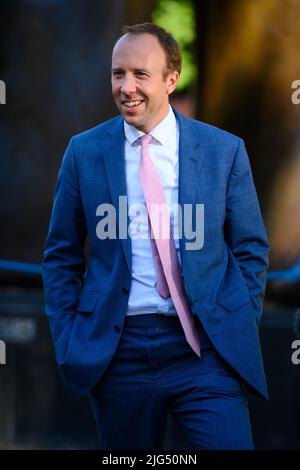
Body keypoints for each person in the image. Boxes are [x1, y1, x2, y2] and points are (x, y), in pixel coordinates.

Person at [42, 22, 270, 450]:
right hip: (118, 350)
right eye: (117, 73)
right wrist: (70, 336)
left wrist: (236, 318)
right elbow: (60, 255)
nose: (127, 87)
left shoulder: (224, 150)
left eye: (140, 74)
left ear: (171, 79)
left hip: (206, 351)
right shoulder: (84, 152)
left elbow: (251, 249)